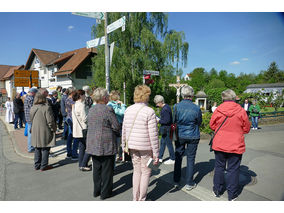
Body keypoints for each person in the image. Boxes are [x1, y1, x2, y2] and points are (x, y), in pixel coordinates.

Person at [210, 89, 250, 201]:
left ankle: (217, 190)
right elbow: (246, 128)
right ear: (234, 98)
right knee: (233, 169)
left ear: (223, 98)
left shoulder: (218, 110)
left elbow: (212, 125)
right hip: (235, 144)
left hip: (220, 143)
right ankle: (232, 195)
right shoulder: (241, 111)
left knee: (219, 167)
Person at [122, 85, 159, 201]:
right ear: (146, 96)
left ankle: (135, 198)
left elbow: (124, 129)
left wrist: (124, 145)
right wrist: (156, 153)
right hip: (145, 146)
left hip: (132, 145)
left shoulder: (128, 109)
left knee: (136, 171)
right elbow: (153, 135)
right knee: (146, 172)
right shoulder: (150, 111)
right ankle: (142, 199)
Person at [86, 88, 120, 200]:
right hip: (106, 143)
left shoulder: (91, 109)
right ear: (104, 98)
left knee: (96, 169)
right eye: (107, 96)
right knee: (107, 170)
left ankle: (96, 191)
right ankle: (105, 193)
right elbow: (115, 126)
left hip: (93, 142)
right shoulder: (108, 109)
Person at [173, 85, 202, 191]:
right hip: (193, 135)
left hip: (180, 134)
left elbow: (174, 120)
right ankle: (189, 183)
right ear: (192, 95)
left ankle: (176, 180)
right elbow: (199, 122)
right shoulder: (196, 107)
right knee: (191, 158)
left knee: (178, 156)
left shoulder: (176, 106)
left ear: (182, 94)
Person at [30, 93, 57, 171]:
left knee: (37, 147)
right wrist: (53, 128)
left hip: (35, 129)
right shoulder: (46, 108)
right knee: (46, 147)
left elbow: (30, 119)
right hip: (45, 129)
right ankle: (44, 165)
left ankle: (37, 165)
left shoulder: (32, 108)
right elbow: (50, 121)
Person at [72, 89, 91, 171]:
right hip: (84, 128)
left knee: (82, 147)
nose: (85, 96)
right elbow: (85, 118)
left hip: (77, 129)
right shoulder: (81, 105)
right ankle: (83, 164)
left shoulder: (74, 104)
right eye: (84, 94)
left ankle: (81, 164)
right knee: (90, 147)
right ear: (81, 96)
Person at [154, 95, 175, 164]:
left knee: (168, 144)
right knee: (162, 143)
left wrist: (158, 121)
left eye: (157, 103)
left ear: (160, 102)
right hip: (166, 128)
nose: (157, 105)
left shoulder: (165, 109)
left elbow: (166, 121)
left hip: (166, 128)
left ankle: (172, 158)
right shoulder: (167, 107)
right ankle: (160, 157)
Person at [107, 90, 126, 163]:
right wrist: (123, 105)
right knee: (116, 144)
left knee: (117, 143)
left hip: (115, 125)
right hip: (116, 126)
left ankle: (118, 157)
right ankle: (115, 159)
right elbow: (123, 113)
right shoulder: (112, 105)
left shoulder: (111, 104)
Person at [65, 88, 78, 160]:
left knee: (70, 136)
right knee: (76, 136)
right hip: (73, 119)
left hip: (68, 117)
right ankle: (74, 154)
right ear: (72, 92)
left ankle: (69, 153)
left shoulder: (67, 99)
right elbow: (74, 109)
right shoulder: (71, 100)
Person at [24, 88, 38, 153]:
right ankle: (30, 148)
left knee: (30, 133)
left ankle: (31, 147)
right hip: (31, 118)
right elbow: (33, 109)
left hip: (28, 117)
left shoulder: (27, 98)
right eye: (35, 93)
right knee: (31, 134)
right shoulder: (31, 98)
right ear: (33, 93)